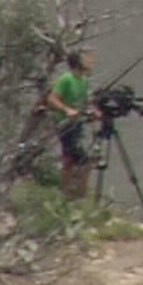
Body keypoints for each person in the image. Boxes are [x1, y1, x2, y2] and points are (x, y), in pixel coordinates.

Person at [45, 51, 95, 200]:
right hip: (65, 124)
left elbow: (85, 102)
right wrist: (66, 110)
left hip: (77, 125)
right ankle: (75, 195)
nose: (90, 60)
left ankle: (70, 194)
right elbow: (52, 99)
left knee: (71, 160)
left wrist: (92, 112)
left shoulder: (84, 80)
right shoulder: (66, 79)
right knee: (79, 160)